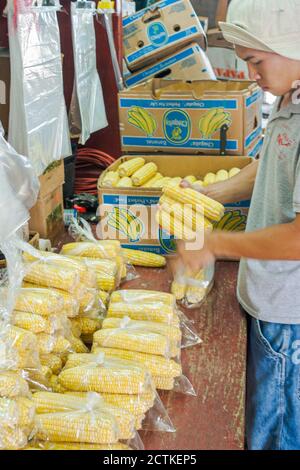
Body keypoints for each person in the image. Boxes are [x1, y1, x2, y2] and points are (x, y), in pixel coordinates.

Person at [176, 0, 300, 450]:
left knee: (276, 433)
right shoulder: (290, 97)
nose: (251, 75)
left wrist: (215, 244)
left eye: (255, 61)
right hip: (268, 300)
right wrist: (214, 194)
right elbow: (269, 165)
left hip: (290, 318)